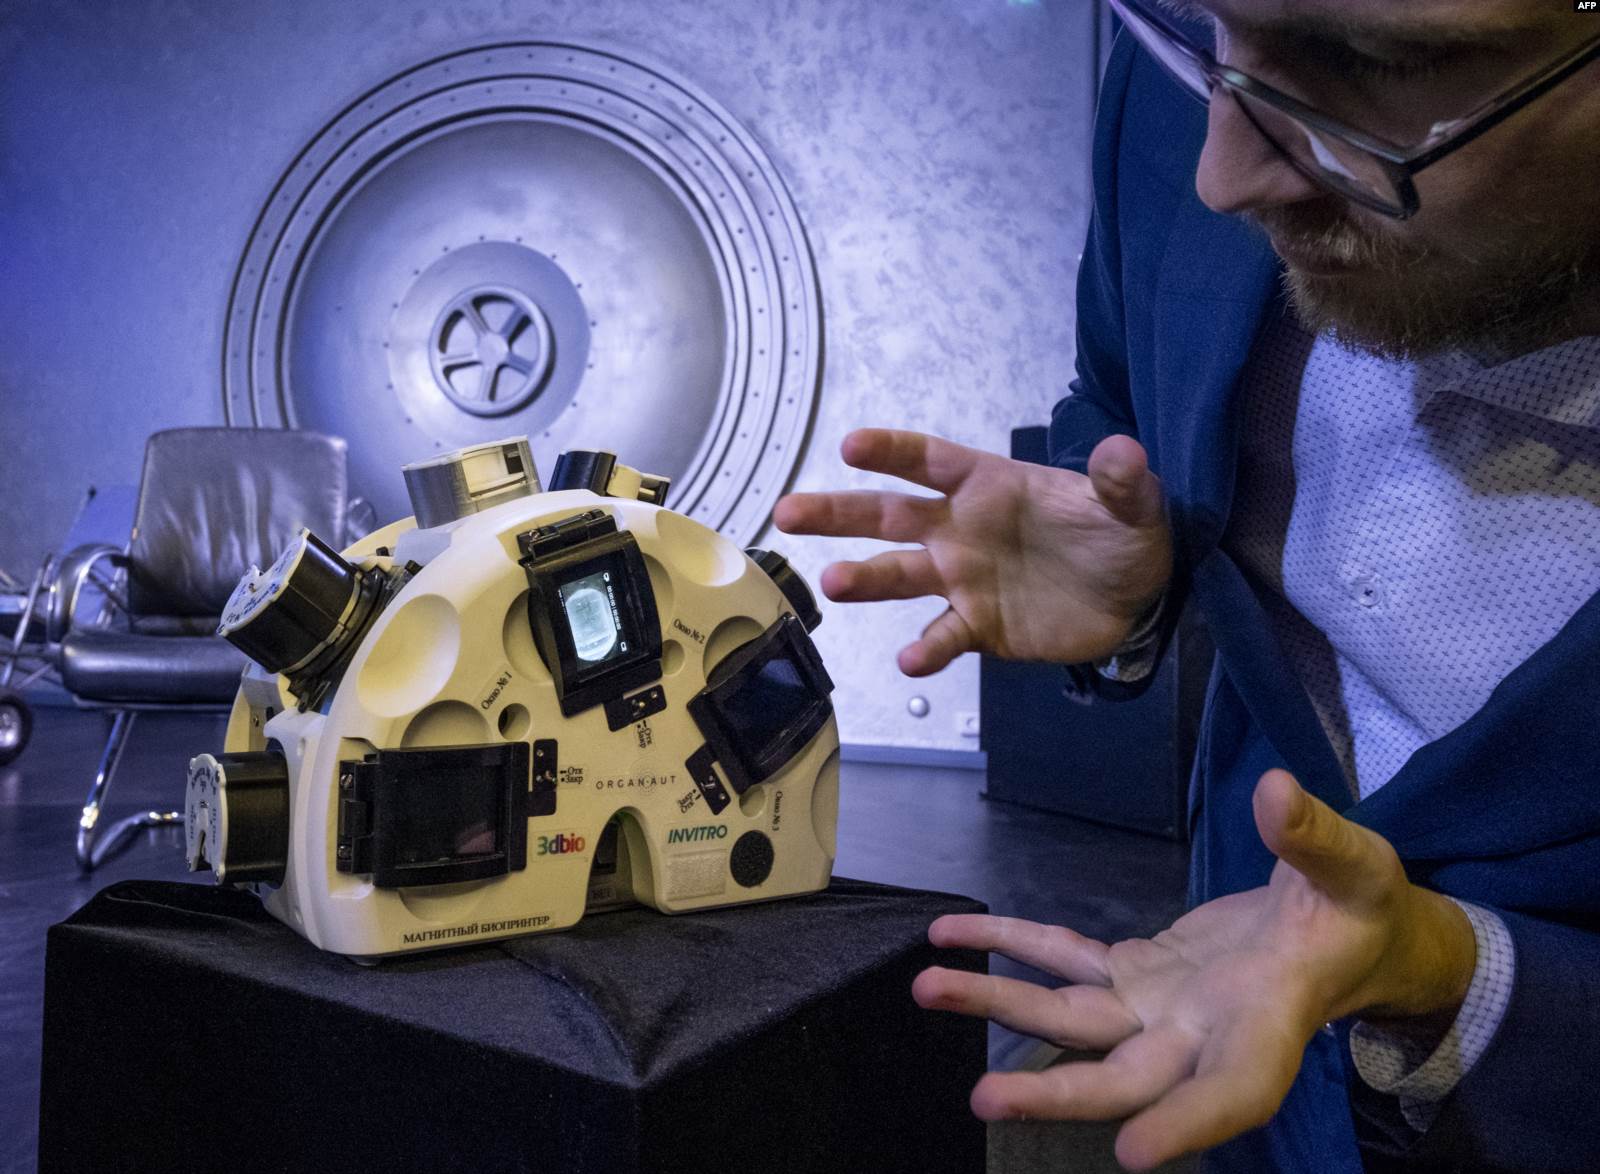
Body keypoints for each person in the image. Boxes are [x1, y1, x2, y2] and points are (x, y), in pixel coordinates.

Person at [773, 2, 1600, 1170]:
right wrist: (1144, 576)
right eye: (1205, 33)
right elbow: (1120, 389)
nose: (1222, 178)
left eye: (1381, 64)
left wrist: (1443, 973)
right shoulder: (1179, 89)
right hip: (1232, 1061)